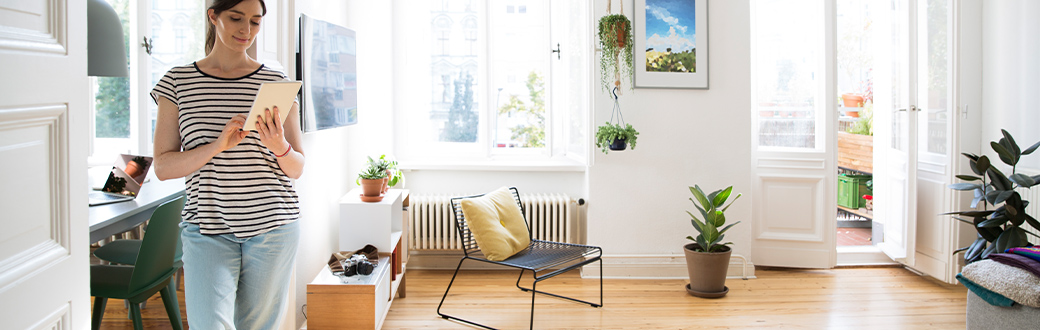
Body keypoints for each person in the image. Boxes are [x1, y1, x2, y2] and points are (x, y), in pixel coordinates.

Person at [149, 0, 304, 328]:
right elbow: (163, 167)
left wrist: (280, 147)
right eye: (236, 18)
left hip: (273, 227)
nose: (246, 30)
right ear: (213, 16)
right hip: (206, 228)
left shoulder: (277, 82)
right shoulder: (177, 82)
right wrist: (217, 146)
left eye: (256, 22)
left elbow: (297, 167)